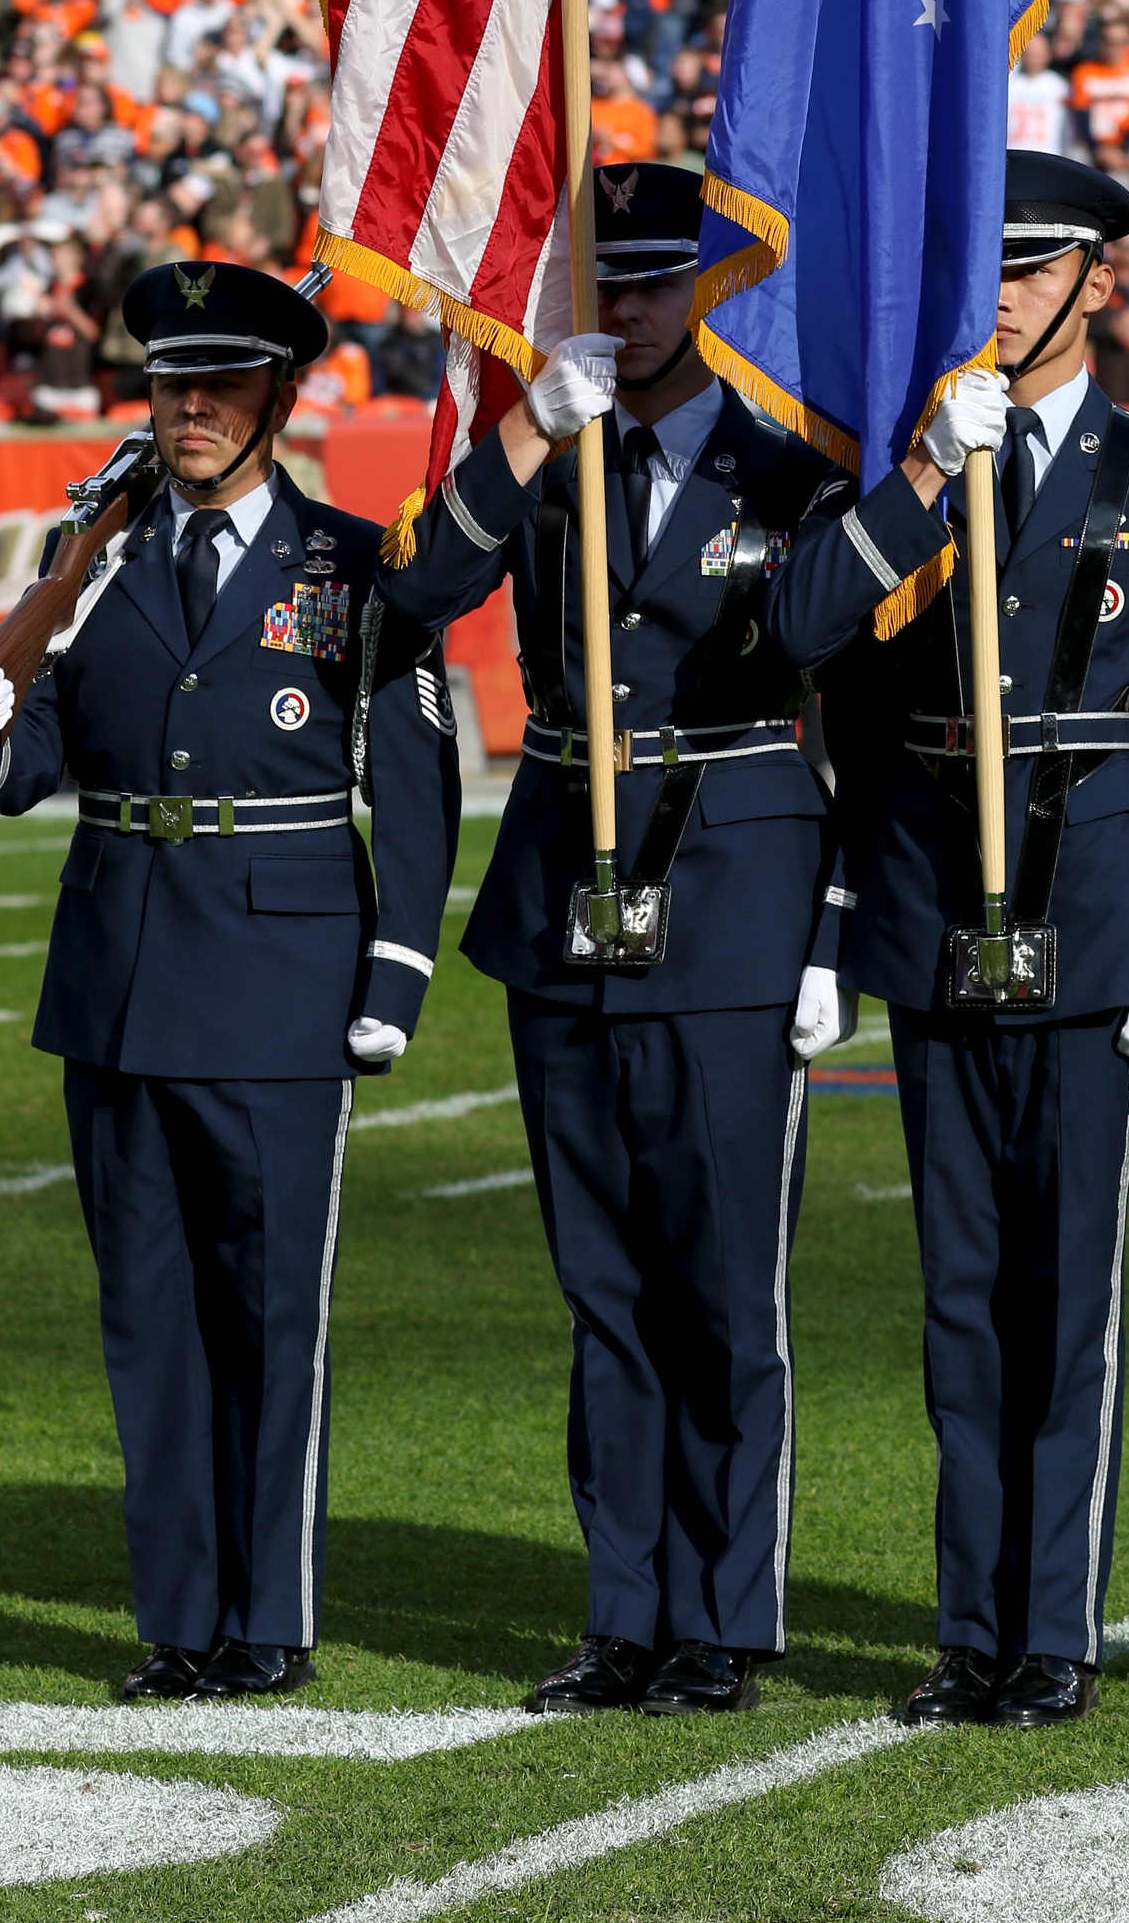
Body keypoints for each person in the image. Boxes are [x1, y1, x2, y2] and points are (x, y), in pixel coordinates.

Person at [370, 165, 917, 1719]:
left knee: (722, 1283)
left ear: (713, 288)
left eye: (659, 281)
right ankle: (625, 1610)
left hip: (736, 887)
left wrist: (832, 925)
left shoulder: (792, 465)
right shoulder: (544, 445)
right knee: (601, 1282)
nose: (629, 308)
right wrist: (534, 426)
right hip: (562, 889)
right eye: (608, 282)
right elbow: (414, 595)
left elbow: (839, 686)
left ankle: (724, 1619)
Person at [0, 263, 460, 1702]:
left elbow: (410, 787)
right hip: (118, 969)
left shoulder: (355, 566)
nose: (195, 406)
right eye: (172, 382)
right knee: (148, 1313)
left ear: (283, 398)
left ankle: (267, 1617)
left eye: (224, 383)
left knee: (272, 1308)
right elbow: (33, 767)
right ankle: (178, 1617)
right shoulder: (90, 560)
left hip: (284, 970)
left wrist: (395, 973)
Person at [775, 153, 1129, 1731]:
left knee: (1066, 1296)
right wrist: (918, 487)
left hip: (1093, 913)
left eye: (1034, 269)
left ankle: (1057, 1634)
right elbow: (803, 636)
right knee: (960, 1294)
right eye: (987, 267)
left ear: (1098, 282)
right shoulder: (910, 454)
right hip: (925, 905)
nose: (1003, 296)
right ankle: (971, 1627)